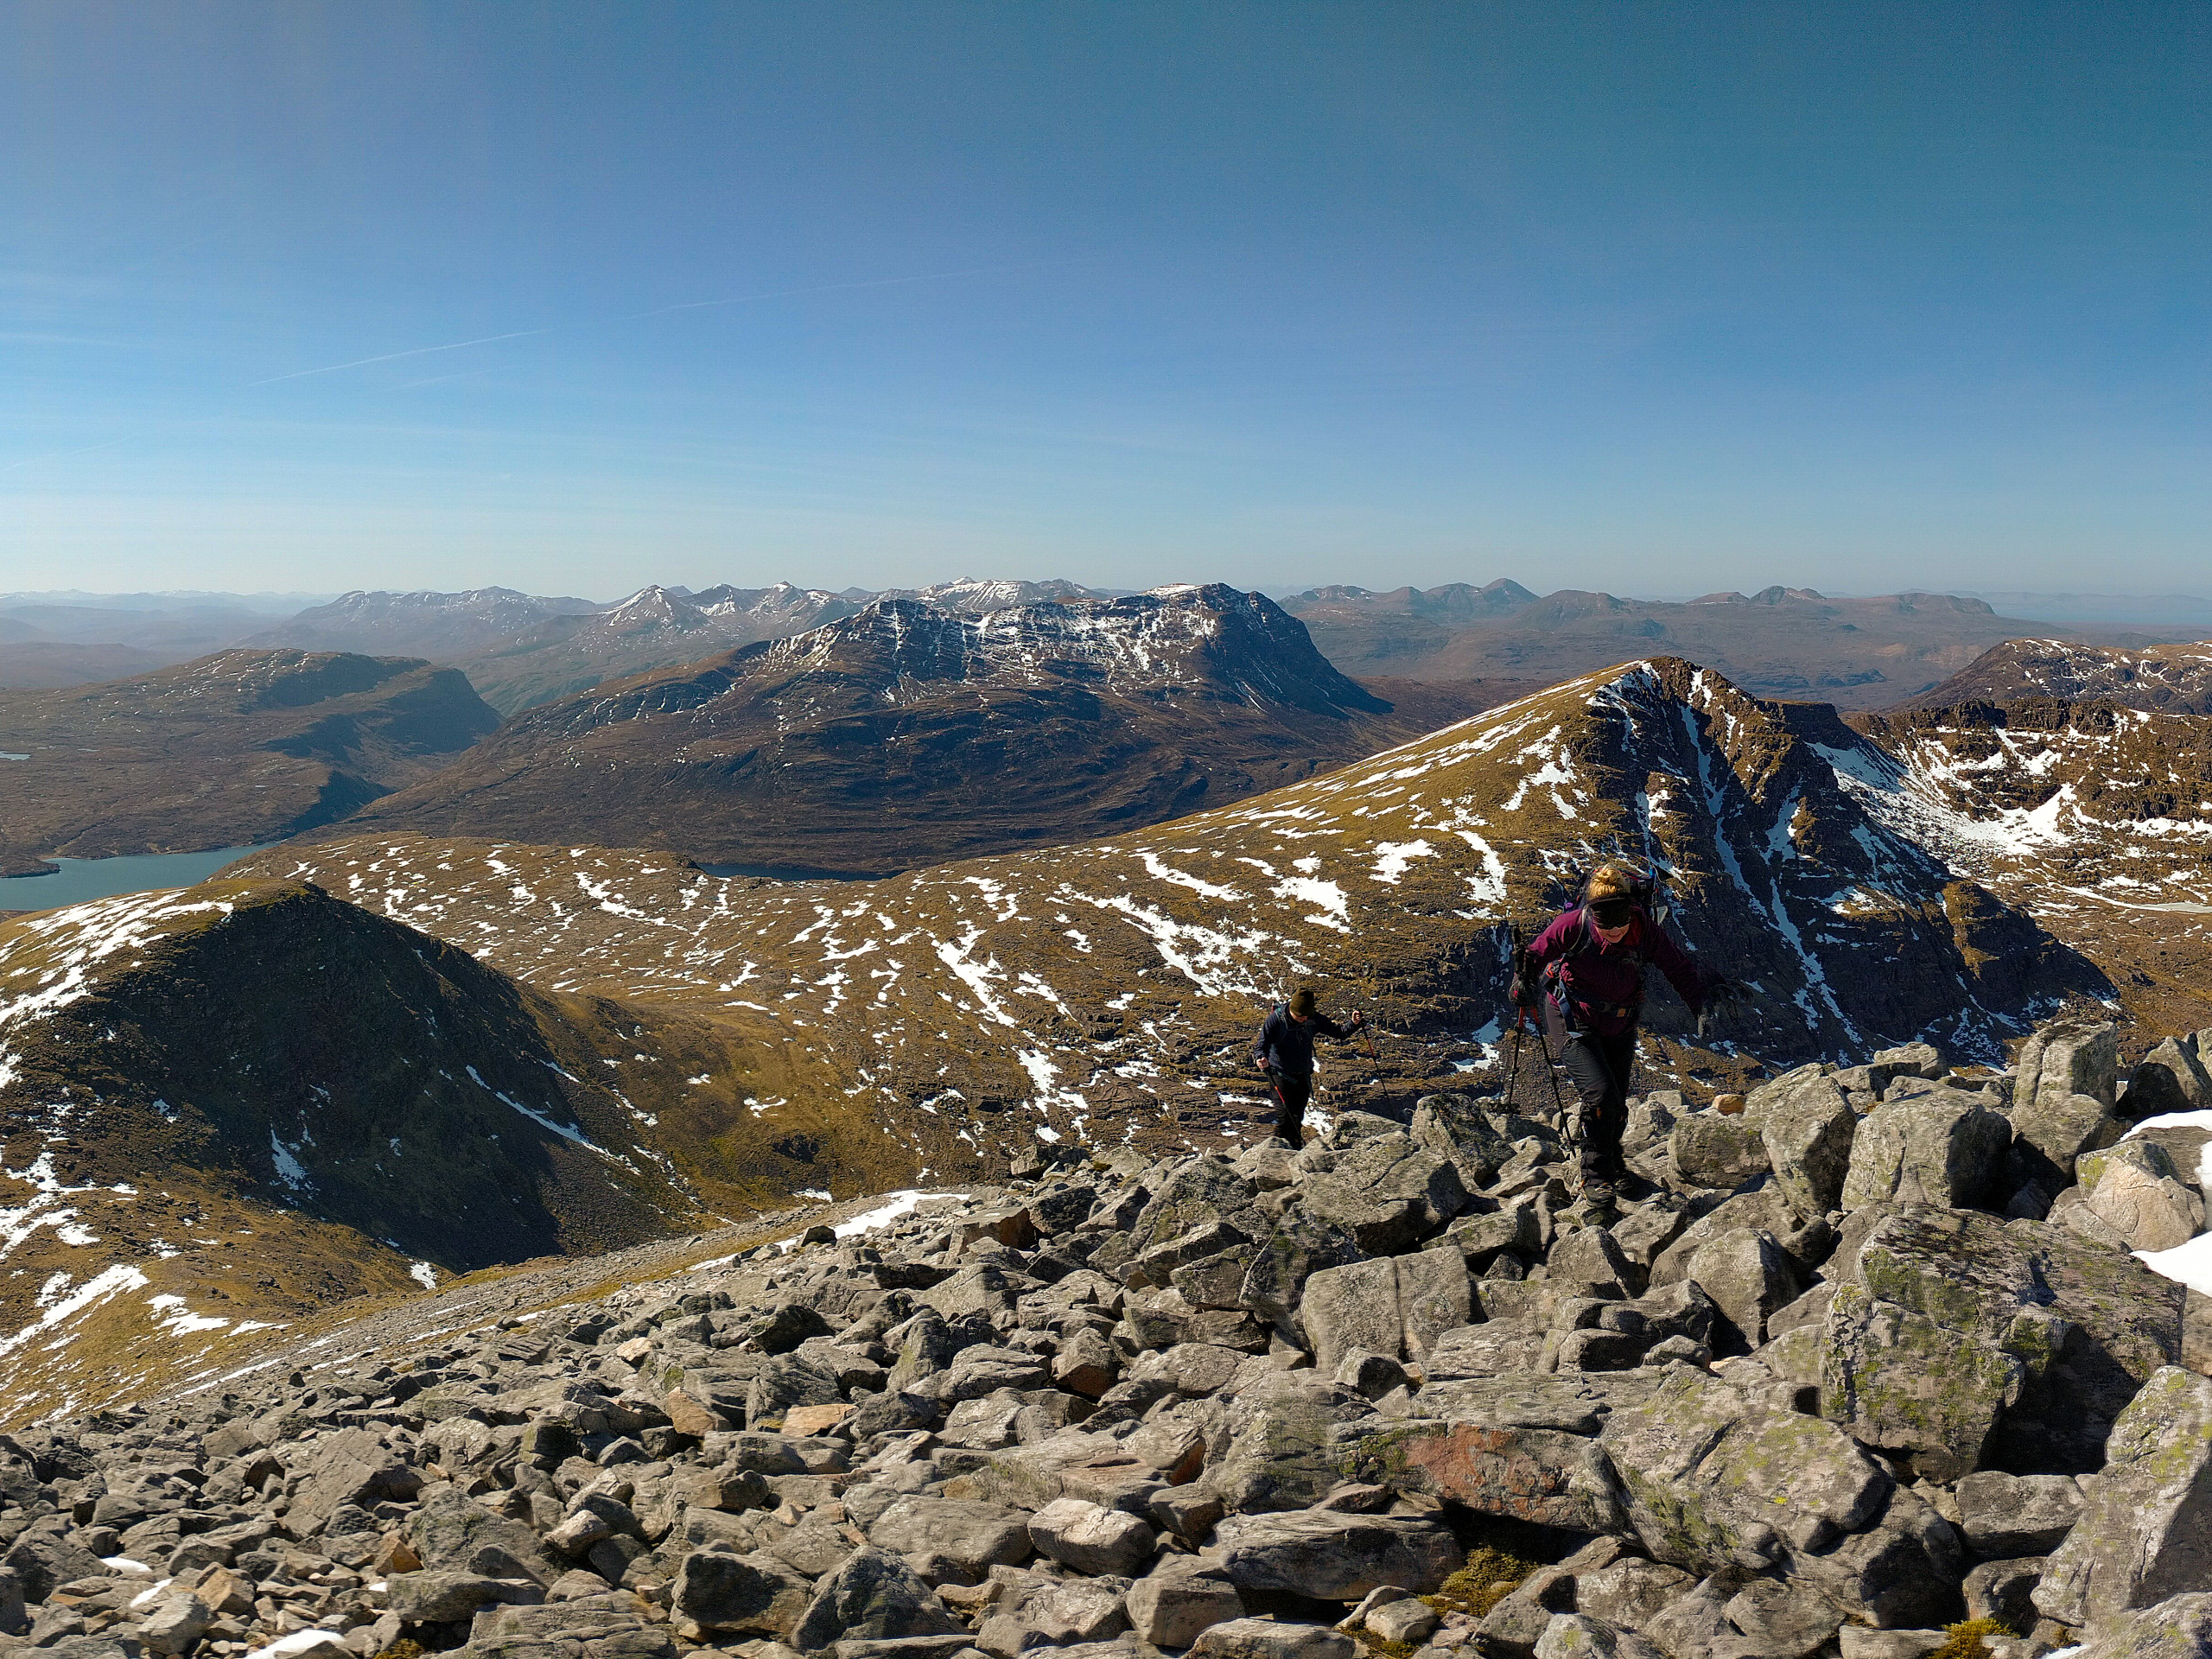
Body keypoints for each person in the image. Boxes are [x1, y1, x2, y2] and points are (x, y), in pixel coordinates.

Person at [1515, 863, 1726, 1204]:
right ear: (1591, 915)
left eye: (1619, 922)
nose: (1613, 931)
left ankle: (1613, 1165)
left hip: (1620, 1022)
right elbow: (1535, 955)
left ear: (1631, 911)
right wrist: (1521, 984)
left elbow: (1678, 967)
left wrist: (1699, 1004)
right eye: (1605, 924)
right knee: (1601, 1095)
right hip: (1572, 1017)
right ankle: (1594, 1176)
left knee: (1617, 1102)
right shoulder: (1572, 926)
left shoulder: (1645, 930)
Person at [1251, 986, 1366, 1145]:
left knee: (1298, 1115)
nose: (1303, 1019)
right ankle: (1279, 1150)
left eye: (1306, 1016)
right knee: (1285, 1116)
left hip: (1302, 1074)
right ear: (1292, 1009)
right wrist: (1260, 1058)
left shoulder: (1313, 1018)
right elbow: (1261, 1045)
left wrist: (1353, 1023)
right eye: (1300, 1016)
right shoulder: (1276, 1020)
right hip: (1280, 1073)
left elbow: (1339, 1032)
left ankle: (1293, 1148)